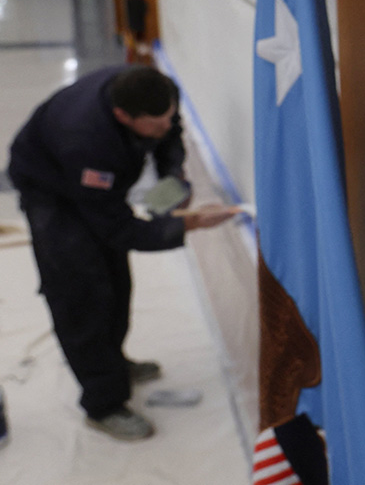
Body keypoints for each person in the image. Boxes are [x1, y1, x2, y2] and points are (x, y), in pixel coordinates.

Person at [6, 65, 235, 441]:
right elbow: (118, 229)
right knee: (81, 291)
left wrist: (173, 178)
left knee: (116, 279)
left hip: (94, 187)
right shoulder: (86, 141)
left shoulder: (152, 93)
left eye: (168, 116)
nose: (165, 126)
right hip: (52, 192)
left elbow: (170, 135)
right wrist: (188, 225)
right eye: (154, 123)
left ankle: (113, 361)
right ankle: (103, 404)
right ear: (122, 116)